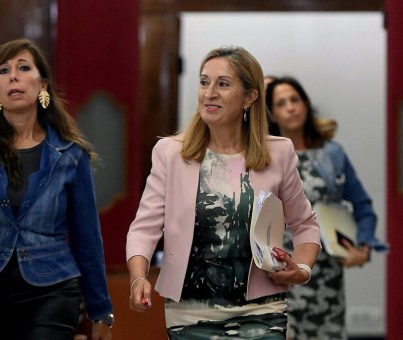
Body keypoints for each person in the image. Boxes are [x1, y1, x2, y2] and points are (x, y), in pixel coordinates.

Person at [126, 46, 322, 339]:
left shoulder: (278, 152)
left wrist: (303, 268)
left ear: (249, 97)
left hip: (262, 312)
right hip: (190, 313)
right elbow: (144, 228)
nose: (209, 92)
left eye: (223, 84)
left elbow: (305, 225)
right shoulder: (171, 153)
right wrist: (137, 277)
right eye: (204, 82)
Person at [0, 38, 113, 340]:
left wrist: (101, 311)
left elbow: (87, 240)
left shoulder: (70, 156)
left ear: (43, 85)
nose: (13, 76)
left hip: (53, 290)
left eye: (23, 68)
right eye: (3, 71)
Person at [266, 76, 387, 340]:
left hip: (325, 272)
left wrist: (363, 248)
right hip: (279, 270)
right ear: (272, 114)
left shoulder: (331, 154)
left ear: (306, 104)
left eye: (295, 100)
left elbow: (363, 205)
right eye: (281, 103)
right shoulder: (265, 155)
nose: (290, 107)